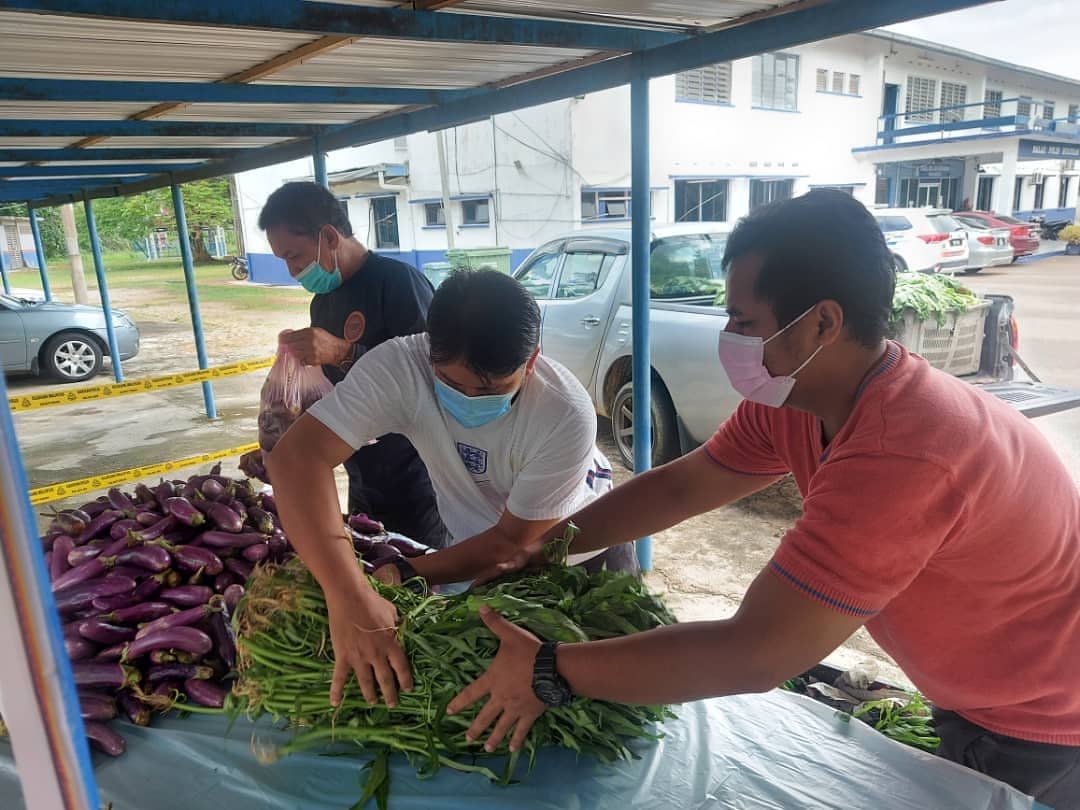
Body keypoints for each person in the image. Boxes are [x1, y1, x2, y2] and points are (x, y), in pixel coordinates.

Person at [444, 190, 1080, 808]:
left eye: (744, 321)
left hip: (1038, 718)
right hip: (973, 691)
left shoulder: (904, 452)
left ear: (823, 324)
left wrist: (550, 668)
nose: (728, 335)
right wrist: (545, 549)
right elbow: (685, 483)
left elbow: (756, 652)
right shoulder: (800, 399)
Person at [266, 269, 635, 709]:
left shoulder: (564, 413)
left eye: (493, 388)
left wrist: (411, 573)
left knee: (588, 704)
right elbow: (296, 459)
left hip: (574, 557)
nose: (471, 399)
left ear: (532, 360)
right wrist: (347, 593)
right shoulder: (400, 367)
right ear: (429, 352)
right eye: (453, 384)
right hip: (476, 548)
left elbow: (513, 543)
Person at [254, 181, 447, 550]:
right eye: (283, 260)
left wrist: (344, 351)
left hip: (418, 480)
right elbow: (331, 395)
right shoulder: (322, 302)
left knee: (422, 582)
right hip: (360, 475)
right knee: (374, 570)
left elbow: (433, 378)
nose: (293, 271)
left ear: (328, 236)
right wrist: (284, 441)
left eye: (294, 255)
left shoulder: (398, 283)